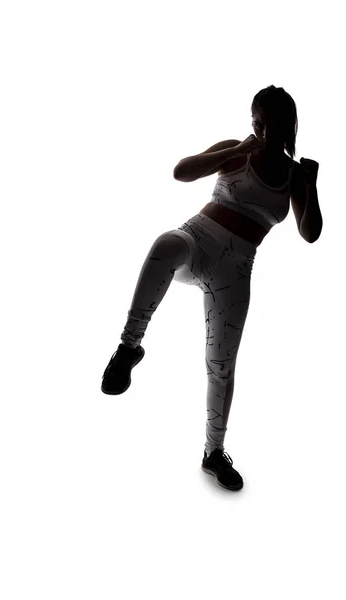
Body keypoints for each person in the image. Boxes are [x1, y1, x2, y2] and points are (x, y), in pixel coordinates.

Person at [101, 85, 322, 492]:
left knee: (221, 365)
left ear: (289, 127)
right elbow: (181, 171)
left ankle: (213, 454)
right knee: (166, 244)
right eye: (257, 123)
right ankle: (129, 347)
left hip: (236, 270)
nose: (263, 133)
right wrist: (230, 154)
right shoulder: (237, 148)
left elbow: (310, 233)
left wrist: (311, 186)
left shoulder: (294, 174)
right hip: (198, 239)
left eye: (272, 126)